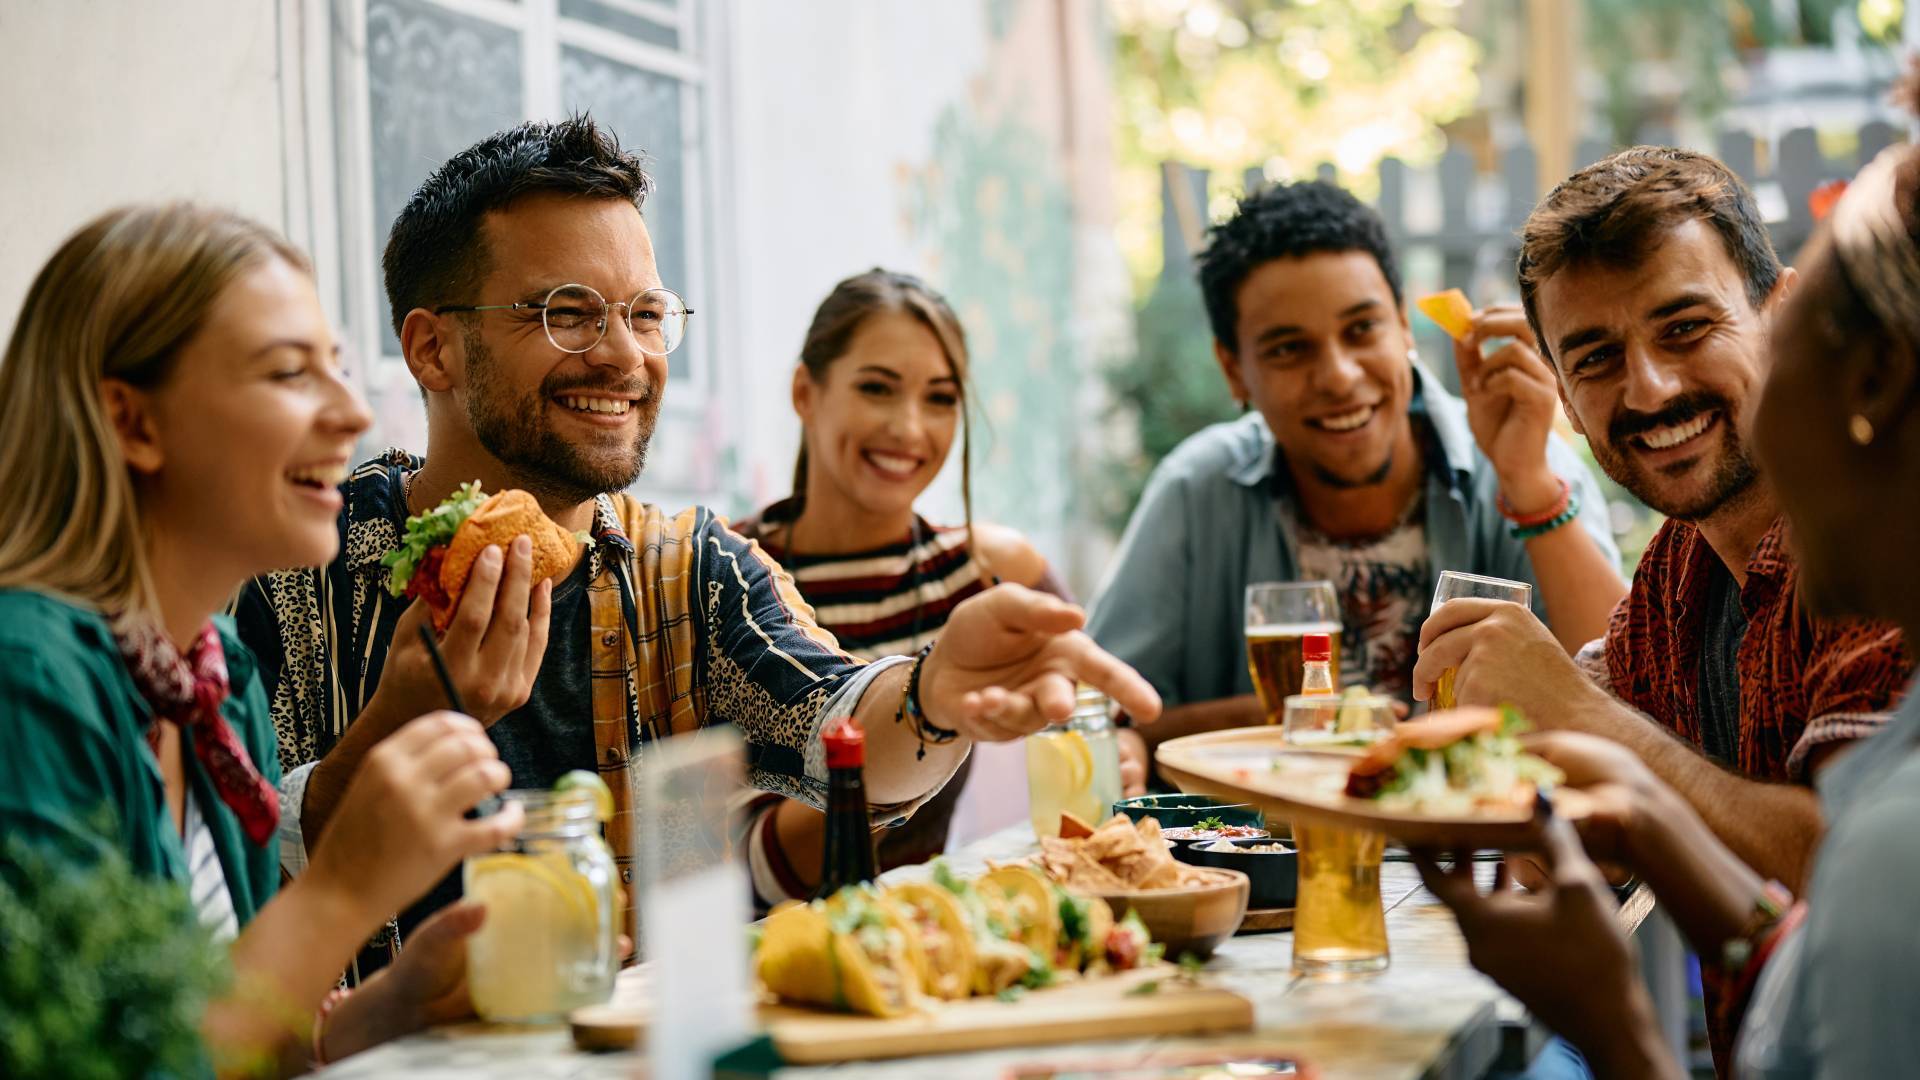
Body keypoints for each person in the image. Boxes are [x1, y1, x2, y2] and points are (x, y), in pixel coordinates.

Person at [235, 117, 1160, 976]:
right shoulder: (291, 570)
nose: (623, 356)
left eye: (644, 313)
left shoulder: (687, 570)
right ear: (433, 349)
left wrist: (937, 693)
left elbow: (840, 720)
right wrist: (391, 729)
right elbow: (217, 878)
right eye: (566, 311)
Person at [1417, 138, 1920, 1080]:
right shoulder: (1675, 575)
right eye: (1598, 358)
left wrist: (1587, 723)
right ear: (1564, 394)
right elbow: (1775, 938)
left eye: (1685, 328)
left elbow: (1855, 877)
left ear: (1779, 319)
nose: (1648, 388)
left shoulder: (1873, 565)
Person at [0, 204, 523, 1072]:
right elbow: (89, 1062)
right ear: (133, 423)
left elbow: (222, 1032)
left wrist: (389, 1006)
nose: (353, 414)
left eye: (342, 370)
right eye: (289, 374)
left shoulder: (217, 683)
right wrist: (341, 893)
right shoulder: (27, 679)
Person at [1090, 180, 1623, 758]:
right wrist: (1277, 720)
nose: (1339, 376)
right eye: (1290, 349)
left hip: (1478, 846)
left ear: (1402, 325)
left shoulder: (1526, 468)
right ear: (1234, 370)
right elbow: (1101, 712)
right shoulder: (1196, 491)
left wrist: (1529, 486)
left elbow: (1621, 703)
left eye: (1361, 329)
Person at [727, 269, 1147, 908]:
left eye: (941, 398)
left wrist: (1113, 751)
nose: (909, 428)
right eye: (877, 388)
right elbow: (728, 857)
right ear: (805, 392)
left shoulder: (989, 573)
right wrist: (920, 714)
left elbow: (1106, 724)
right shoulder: (726, 576)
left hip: (938, 942)